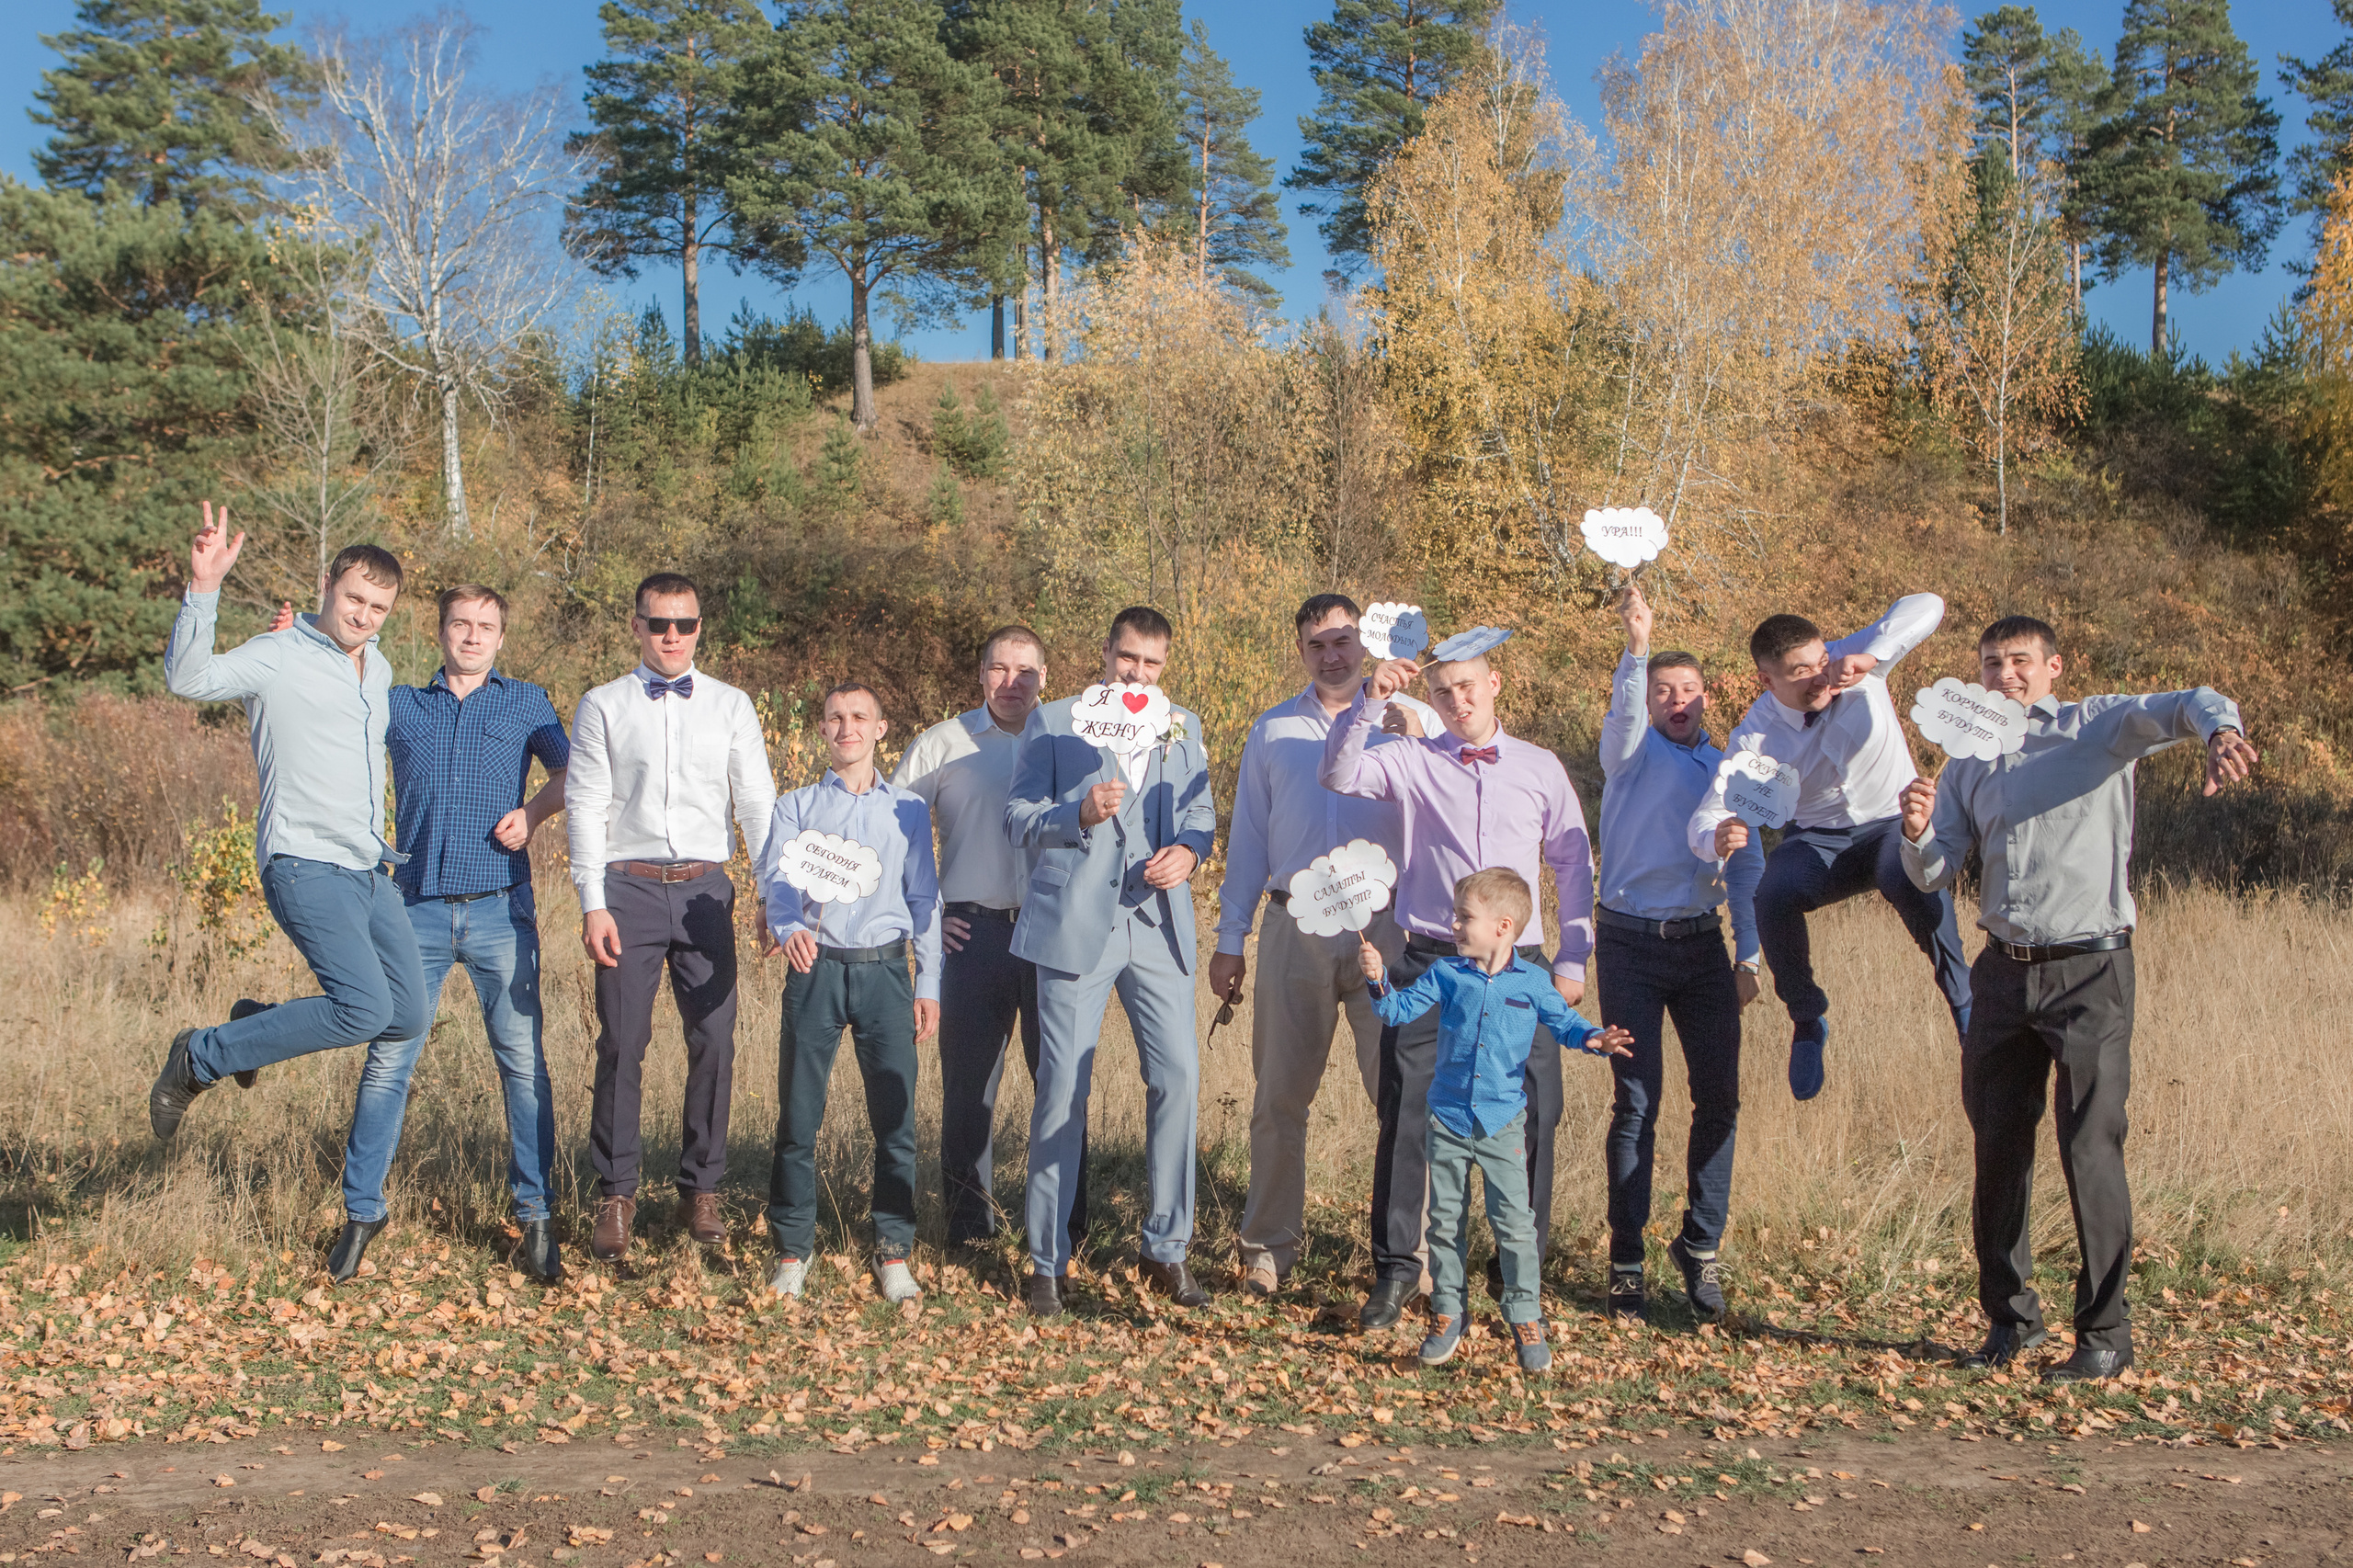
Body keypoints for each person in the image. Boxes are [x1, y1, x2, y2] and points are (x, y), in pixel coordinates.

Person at [1899, 615, 2254, 1381]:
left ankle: (2103, 1336)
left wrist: (2219, 731)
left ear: (2055, 667)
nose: (2006, 676)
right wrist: (1918, 831)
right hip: (2002, 974)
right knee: (1997, 1148)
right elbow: (1935, 871)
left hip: (2091, 972)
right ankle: (2010, 1324)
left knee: (2089, 1146)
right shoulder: (1966, 758)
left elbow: (2190, 701)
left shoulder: (2102, 726)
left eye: (2021, 661)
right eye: (1992, 663)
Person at [148, 505, 431, 1283]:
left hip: (367, 869)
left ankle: (254, 1024)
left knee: (408, 1012)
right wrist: (202, 589)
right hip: (302, 864)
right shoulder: (277, 654)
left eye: (378, 610)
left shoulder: (378, 671)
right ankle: (201, 1055)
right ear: (326, 587)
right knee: (364, 1010)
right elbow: (188, 678)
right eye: (353, 601)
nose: (363, 617)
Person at [1323, 638, 1597, 1330]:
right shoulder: (1412, 760)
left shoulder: (1539, 766)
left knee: (1535, 1113)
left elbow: (1572, 860)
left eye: (1469, 687)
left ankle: (1516, 1274)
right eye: (1444, 693)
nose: (1458, 701)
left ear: (1494, 682)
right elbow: (1338, 774)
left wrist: (1573, 957)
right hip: (1432, 962)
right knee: (1410, 1111)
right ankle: (1395, 1271)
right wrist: (1371, 701)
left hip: (1521, 967)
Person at [1210, 594, 1436, 1298]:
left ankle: (1412, 1259)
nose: (1332, 654)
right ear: (1301, 652)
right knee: (1279, 1097)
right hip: (1293, 928)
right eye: (1318, 645)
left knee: (1402, 1098)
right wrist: (1230, 937)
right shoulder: (1272, 731)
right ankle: (1268, 1251)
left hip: (1390, 929)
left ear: (1363, 643)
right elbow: (1247, 839)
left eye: (1343, 640)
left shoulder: (1412, 725)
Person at [356, 586, 571, 1281]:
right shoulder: (398, 706)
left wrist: (534, 813)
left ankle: (535, 1217)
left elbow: (574, 771)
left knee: (521, 1062)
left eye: (486, 627)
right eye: (460, 625)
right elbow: (330, 727)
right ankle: (362, 1212)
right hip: (411, 909)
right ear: (440, 631)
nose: (472, 637)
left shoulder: (527, 702)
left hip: (500, 908)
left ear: (501, 637)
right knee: (390, 1058)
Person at [1006, 606, 1216, 1317]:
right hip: (1075, 926)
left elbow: (1200, 817)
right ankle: (1046, 1263)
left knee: (1180, 1078)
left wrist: (1189, 851)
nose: (1139, 674)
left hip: (1157, 926)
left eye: (1153, 665)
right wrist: (1078, 814)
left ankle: (1166, 1249)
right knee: (1062, 1087)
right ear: (1106, 652)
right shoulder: (1057, 719)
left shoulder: (1181, 726)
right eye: (1129, 659)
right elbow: (1019, 817)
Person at [565, 574, 777, 1264]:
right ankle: (616, 1193)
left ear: (700, 627)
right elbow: (586, 803)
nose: (672, 636)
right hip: (626, 888)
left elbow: (757, 802)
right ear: (636, 626)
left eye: (684, 624)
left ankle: (701, 1189)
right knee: (623, 1044)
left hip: (705, 891)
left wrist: (777, 893)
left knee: (715, 1042)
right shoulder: (602, 705)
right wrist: (591, 901)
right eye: (659, 624)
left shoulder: (731, 705)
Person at [1688, 594, 1970, 1102]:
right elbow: (1711, 811)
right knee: (1772, 892)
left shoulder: (1852, 661)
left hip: (1892, 825)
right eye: (1801, 672)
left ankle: (1967, 1009)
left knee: (1902, 873)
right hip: (1820, 841)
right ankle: (1807, 1018)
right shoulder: (1756, 737)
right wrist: (1716, 835)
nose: (1821, 678)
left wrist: (1874, 657)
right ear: (1766, 680)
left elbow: (1928, 605)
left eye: (1821, 662)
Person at [1359, 869, 1631, 1370]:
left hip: (1502, 1123)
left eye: (1464, 917)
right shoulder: (1446, 974)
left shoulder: (1532, 983)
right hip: (1447, 1120)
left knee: (1514, 1225)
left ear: (1503, 927)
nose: (1454, 925)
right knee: (1444, 1225)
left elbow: (1565, 1024)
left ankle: (1526, 1317)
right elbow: (1396, 1013)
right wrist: (1376, 980)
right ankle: (1447, 1313)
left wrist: (1595, 1039)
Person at [892, 626, 1091, 1266]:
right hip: (971, 934)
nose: (1013, 682)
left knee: (1059, 1084)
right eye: (1000, 670)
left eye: (1026, 671)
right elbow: (889, 831)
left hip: (1051, 933)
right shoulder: (942, 744)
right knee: (969, 1089)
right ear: (980, 675)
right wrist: (919, 916)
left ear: (1044, 675)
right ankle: (968, 1226)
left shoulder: (1072, 742)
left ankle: (1067, 1225)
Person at [1596, 584, 1763, 1324]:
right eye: (1664, 689)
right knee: (1636, 1101)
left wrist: (1750, 955)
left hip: (1702, 948)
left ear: (1706, 697)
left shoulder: (1727, 771)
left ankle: (1699, 1249)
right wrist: (1637, 648)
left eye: (1688, 689)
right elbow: (1625, 714)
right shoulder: (1628, 754)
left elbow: (1750, 868)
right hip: (1629, 944)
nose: (1676, 699)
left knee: (1719, 1100)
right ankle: (1626, 1259)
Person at [759, 683, 942, 1302]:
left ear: (881, 728)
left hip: (887, 974)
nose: (847, 727)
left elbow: (924, 900)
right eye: (835, 717)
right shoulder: (796, 807)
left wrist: (929, 982)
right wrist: (786, 928)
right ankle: (792, 1249)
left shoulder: (909, 811)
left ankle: (893, 1251)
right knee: (798, 1117)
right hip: (816, 971)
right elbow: (778, 888)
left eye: (859, 717)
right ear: (823, 730)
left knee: (896, 1120)